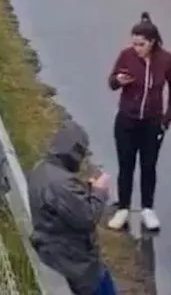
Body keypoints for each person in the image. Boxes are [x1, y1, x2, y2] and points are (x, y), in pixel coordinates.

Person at [105, 12, 171, 233]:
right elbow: (111, 82)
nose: (136, 48)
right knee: (125, 165)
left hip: (152, 123)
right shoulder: (126, 56)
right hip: (126, 120)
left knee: (149, 166)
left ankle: (148, 208)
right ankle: (123, 208)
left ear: (152, 42)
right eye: (134, 43)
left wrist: (167, 118)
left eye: (141, 44)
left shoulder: (166, 60)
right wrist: (118, 81)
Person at [27, 119, 116, 295]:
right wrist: (99, 191)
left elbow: (66, 208)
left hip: (55, 254)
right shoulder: (62, 184)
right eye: (82, 154)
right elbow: (87, 218)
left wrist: (87, 190)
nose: (83, 160)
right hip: (76, 264)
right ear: (74, 152)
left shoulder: (42, 169)